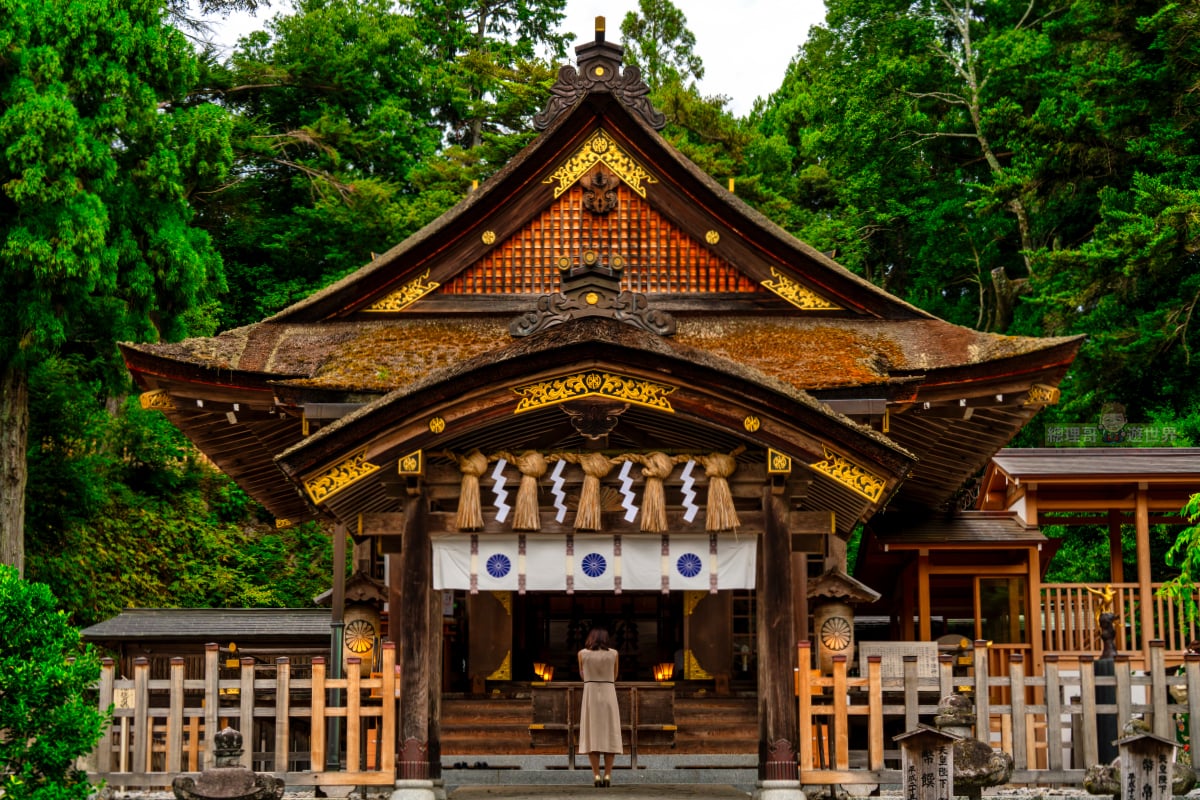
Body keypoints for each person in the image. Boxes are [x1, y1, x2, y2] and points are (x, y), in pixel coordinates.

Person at [578, 627, 622, 787]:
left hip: (590, 695)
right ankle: (608, 775)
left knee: (592, 735)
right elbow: (615, 675)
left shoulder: (582, 654)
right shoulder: (614, 654)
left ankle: (596, 775)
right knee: (609, 733)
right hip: (608, 693)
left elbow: (582, 674)